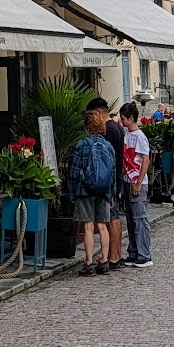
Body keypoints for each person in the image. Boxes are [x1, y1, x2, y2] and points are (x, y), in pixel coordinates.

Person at [70, 108, 116, 276]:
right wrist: (112, 193)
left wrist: (73, 191)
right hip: (103, 190)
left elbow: (75, 171)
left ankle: (88, 263)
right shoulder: (108, 146)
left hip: (84, 189)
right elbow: (112, 172)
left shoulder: (82, 144)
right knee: (103, 226)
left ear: (87, 127)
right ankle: (104, 261)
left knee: (88, 227)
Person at [88, 97, 125, 271]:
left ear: (99, 112)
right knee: (114, 217)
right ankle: (115, 255)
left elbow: (104, 159)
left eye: (93, 114)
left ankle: (112, 256)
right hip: (117, 176)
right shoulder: (117, 127)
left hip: (110, 179)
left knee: (111, 218)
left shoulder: (108, 130)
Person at [117, 102, 152, 268]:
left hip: (136, 181)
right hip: (127, 179)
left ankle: (144, 253)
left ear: (131, 119)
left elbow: (145, 160)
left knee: (139, 218)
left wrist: (138, 182)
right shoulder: (127, 134)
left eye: (124, 118)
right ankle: (134, 251)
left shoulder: (139, 136)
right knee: (131, 219)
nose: (122, 121)